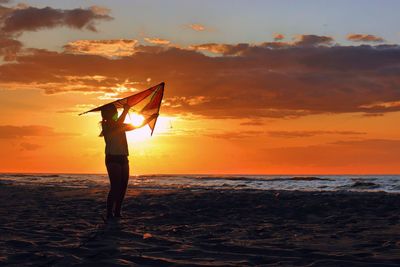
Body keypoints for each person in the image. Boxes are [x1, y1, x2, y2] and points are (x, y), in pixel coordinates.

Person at [100, 103, 156, 220]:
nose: (115, 112)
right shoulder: (107, 126)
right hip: (112, 158)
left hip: (123, 157)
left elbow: (136, 126)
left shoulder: (120, 124)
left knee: (123, 186)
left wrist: (151, 118)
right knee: (115, 187)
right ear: (107, 114)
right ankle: (109, 213)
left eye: (115, 111)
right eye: (113, 111)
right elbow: (118, 123)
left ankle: (117, 212)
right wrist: (125, 110)